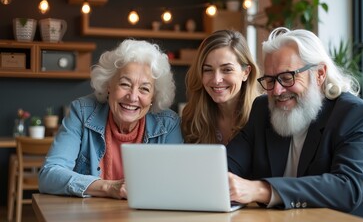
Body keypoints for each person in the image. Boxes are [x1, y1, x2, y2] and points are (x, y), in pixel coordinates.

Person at [227, 27, 363, 221]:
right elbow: (227, 165)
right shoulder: (262, 109)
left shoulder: (355, 115)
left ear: (319, 74)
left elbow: (348, 188)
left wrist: (262, 190)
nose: (277, 91)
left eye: (287, 77)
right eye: (270, 80)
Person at [39, 39, 183, 199]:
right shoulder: (82, 112)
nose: (133, 97)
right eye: (125, 84)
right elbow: (49, 175)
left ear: (153, 97)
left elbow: (178, 183)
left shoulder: (168, 124)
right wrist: (108, 187)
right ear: (108, 85)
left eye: (144, 88)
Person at [181, 29, 261, 144]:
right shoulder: (192, 119)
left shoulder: (261, 118)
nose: (216, 80)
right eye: (208, 70)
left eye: (227, 69)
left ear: (246, 72)